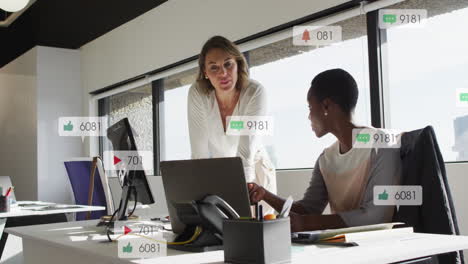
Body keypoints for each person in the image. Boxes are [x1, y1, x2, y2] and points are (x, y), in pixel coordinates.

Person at [248, 69, 401, 232]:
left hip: (382, 247)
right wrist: (264, 194)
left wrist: (307, 223)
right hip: (343, 246)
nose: (308, 116)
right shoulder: (326, 159)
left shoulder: (381, 144)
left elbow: (377, 216)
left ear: (326, 105)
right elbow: (308, 210)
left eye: (309, 107)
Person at [188, 36, 277, 212]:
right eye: (214, 67)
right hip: (220, 170)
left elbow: (245, 152)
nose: (223, 73)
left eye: (228, 64)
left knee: (254, 229)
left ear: (238, 64)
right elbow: (199, 151)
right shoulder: (198, 93)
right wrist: (198, 199)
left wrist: (241, 197)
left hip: (254, 173)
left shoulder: (254, 92)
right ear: (205, 72)